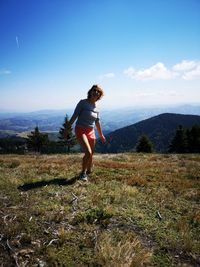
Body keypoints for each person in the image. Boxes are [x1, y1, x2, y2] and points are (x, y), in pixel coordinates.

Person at [65, 85, 106, 181]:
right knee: (88, 152)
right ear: (90, 92)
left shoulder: (97, 107)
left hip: (91, 131)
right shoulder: (83, 103)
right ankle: (82, 173)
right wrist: (67, 129)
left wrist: (101, 135)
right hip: (81, 130)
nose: (96, 92)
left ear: (100, 95)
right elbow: (74, 116)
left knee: (91, 154)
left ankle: (89, 169)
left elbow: (97, 121)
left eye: (98, 92)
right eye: (94, 90)